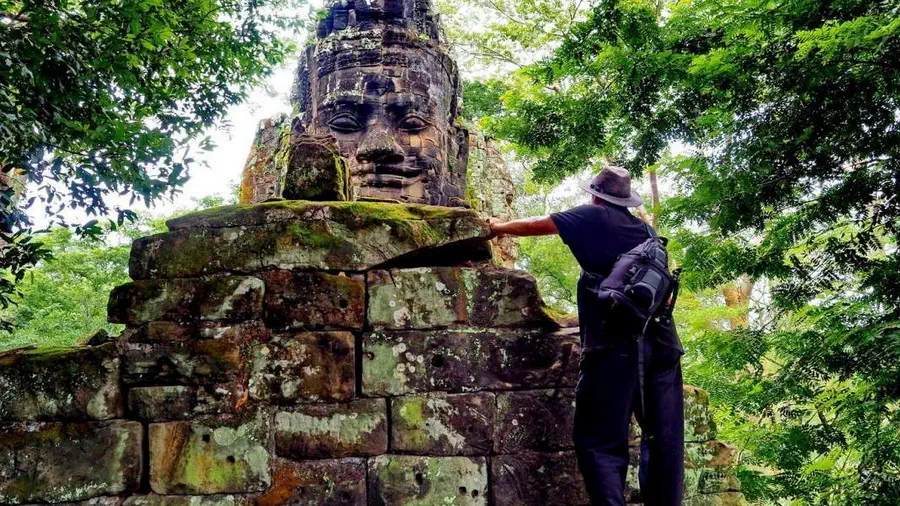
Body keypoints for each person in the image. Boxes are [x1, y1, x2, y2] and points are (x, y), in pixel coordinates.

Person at [488, 166, 685, 506]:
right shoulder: (647, 231)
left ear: (596, 195)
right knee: (663, 437)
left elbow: (538, 225)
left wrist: (495, 228)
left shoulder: (591, 216)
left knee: (599, 440)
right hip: (662, 345)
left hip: (614, 348)